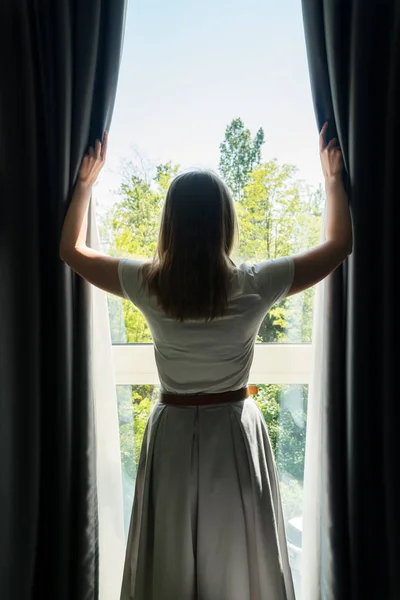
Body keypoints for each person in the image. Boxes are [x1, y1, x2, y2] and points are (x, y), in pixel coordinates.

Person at [60, 123, 352, 600]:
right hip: (233, 431)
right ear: (225, 223)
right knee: (236, 558)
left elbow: (71, 251)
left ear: (169, 225)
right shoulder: (254, 282)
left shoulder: (148, 283)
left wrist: (85, 185)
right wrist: (333, 181)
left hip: (173, 429)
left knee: (170, 560)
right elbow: (339, 246)